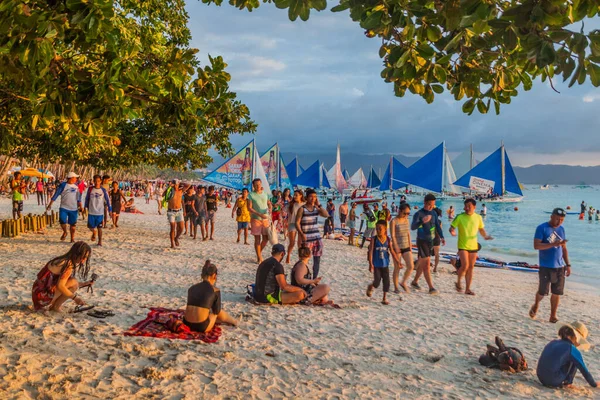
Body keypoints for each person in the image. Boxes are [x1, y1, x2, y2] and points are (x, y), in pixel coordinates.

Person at [529, 208, 570, 323]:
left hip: (560, 266)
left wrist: (568, 264)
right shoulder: (542, 228)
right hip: (546, 265)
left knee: (557, 292)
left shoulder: (562, 229)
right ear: (551, 216)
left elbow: (564, 248)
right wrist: (553, 244)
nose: (559, 222)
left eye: (561, 220)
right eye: (557, 219)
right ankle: (536, 305)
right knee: (542, 292)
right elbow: (536, 246)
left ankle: (553, 315)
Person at [32, 242, 94, 312]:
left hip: (37, 293)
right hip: (42, 297)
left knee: (74, 282)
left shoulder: (63, 260)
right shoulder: (67, 265)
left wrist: (84, 284)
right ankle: (56, 307)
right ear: (76, 254)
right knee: (74, 282)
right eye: (83, 257)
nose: (83, 260)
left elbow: (62, 282)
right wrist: (75, 298)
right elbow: (61, 286)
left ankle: (54, 306)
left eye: (86, 257)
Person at [449, 199, 492, 296]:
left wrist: (485, 236)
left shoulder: (478, 217)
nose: (467, 208)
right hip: (462, 245)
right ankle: (459, 282)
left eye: (469, 206)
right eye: (466, 206)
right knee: (465, 265)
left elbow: (481, 229)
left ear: (474, 207)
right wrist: (452, 232)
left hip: (473, 245)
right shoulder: (459, 217)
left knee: (471, 267)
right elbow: (451, 227)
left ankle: (467, 289)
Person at [183, 260, 238, 332]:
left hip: (186, 323)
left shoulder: (191, 288)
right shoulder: (215, 290)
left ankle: (231, 321)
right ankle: (234, 322)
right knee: (216, 313)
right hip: (201, 326)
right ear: (214, 276)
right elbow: (217, 312)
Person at [410, 194, 445, 295]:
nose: (431, 207)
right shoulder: (419, 214)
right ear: (425, 202)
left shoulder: (433, 213)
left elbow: (437, 226)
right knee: (426, 264)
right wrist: (422, 221)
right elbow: (413, 227)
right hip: (422, 241)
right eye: (430, 204)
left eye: (433, 205)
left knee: (422, 262)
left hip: (431, 241)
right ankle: (431, 287)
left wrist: (442, 237)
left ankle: (415, 281)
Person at [296, 189, 329, 279]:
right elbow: (297, 223)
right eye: (311, 196)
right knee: (303, 259)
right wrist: (301, 234)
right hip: (307, 238)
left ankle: (314, 279)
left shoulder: (316, 209)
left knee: (317, 259)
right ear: (306, 198)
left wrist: (319, 205)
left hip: (317, 237)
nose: (313, 198)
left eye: (315, 197)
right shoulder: (302, 209)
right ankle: (301, 277)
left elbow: (326, 215)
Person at [367, 220, 400, 305]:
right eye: (377, 228)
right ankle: (371, 286)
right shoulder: (374, 239)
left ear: (385, 229)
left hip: (385, 264)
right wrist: (370, 264)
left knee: (386, 282)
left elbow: (392, 251)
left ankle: (384, 298)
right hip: (377, 265)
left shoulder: (388, 240)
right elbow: (370, 251)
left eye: (380, 229)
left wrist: (398, 262)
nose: (378, 230)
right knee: (377, 282)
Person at [47, 172, 83, 242]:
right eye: (75, 177)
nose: (76, 179)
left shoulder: (76, 186)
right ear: (71, 178)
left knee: (73, 224)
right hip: (64, 207)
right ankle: (65, 232)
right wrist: (50, 204)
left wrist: (81, 206)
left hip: (73, 208)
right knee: (62, 221)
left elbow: (79, 198)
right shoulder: (63, 185)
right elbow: (56, 194)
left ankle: (72, 239)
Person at [390, 203, 414, 293]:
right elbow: (392, 235)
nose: (406, 215)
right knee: (397, 267)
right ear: (399, 211)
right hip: (397, 246)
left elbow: (408, 233)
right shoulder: (394, 221)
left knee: (411, 266)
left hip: (406, 246)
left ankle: (403, 282)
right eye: (405, 213)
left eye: (408, 213)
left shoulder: (406, 220)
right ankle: (396, 287)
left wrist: (410, 246)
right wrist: (395, 246)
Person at [247, 179, 272, 264]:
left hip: (265, 219)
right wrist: (259, 214)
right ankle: (259, 257)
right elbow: (249, 208)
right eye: (256, 185)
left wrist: (270, 206)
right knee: (257, 238)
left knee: (266, 238)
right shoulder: (251, 195)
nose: (258, 186)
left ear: (261, 184)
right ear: (253, 186)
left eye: (259, 184)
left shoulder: (265, 194)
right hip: (255, 219)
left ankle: (259, 253)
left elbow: (268, 202)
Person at [84, 175, 112, 246]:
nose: (97, 182)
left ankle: (99, 242)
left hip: (99, 212)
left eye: (98, 181)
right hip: (91, 212)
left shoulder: (103, 190)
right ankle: (94, 232)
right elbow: (87, 198)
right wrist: (85, 207)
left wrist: (110, 210)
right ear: (93, 181)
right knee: (90, 227)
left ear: (101, 181)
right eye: (95, 181)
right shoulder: (90, 189)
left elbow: (108, 201)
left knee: (100, 228)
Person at [166, 180, 188, 248]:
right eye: (174, 184)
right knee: (172, 228)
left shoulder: (181, 191)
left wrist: (180, 183)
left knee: (181, 228)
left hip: (179, 211)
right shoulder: (170, 191)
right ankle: (172, 243)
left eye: (176, 184)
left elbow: (188, 185)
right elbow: (163, 195)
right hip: (171, 211)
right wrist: (169, 187)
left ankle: (176, 238)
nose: (175, 185)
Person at [286, 190, 305, 264]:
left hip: (301, 224)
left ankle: (300, 258)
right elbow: (284, 210)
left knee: (300, 244)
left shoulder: (304, 204)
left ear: (301, 195)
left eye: (296, 195)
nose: (294, 196)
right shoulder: (291, 204)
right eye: (294, 195)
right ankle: (288, 255)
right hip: (292, 223)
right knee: (292, 242)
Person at [432, 207, 443, 273]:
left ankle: (418, 266)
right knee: (437, 254)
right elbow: (440, 231)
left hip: (430, 238)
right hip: (437, 238)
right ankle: (435, 268)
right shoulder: (439, 221)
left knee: (426, 253)